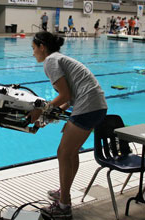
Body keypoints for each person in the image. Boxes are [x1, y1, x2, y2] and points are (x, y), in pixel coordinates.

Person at [29, 31, 107, 219]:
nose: (33, 53)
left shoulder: (50, 61)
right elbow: (69, 97)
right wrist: (47, 116)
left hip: (88, 106)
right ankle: (64, 193)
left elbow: (63, 96)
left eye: (33, 49)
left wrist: (40, 110)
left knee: (63, 153)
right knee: (70, 153)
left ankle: (63, 206)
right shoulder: (60, 58)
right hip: (95, 106)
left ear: (42, 47)